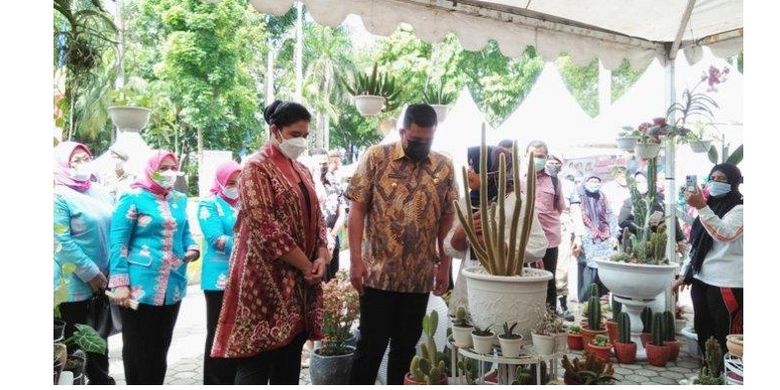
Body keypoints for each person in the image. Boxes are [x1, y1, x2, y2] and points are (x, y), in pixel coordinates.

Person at [211, 100, 329, 385]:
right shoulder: (255, 168)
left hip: (299, 285)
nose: (301, 141)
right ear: (275, 130)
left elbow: (318, 218)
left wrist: (323, 256)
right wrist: (305, 265)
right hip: (262, 282)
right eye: (294, 134)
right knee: (256, 363)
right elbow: (264, 225)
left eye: (305, 135)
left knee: (288, 363)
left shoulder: (302, 170)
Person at [347, 104, 457, 385]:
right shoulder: (376, 157)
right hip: (377, 275)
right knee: (369, 348)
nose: (421, 146)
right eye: (415, 140)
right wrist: (355, 260)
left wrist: (445, 267)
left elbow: (447, 218)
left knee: (406, 350)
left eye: (427, 140)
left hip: (418, 278)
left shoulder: (444, 167)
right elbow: (357, 210)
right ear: (402, 131)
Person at [109, 151, 200, 385]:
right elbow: (118, 243)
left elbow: (186, 232)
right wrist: (120, 284)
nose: (169, 172)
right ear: (151, 169)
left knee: (160, 349)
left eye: (173, 167)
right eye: (163, 167)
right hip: (140, 289)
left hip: (173, 287)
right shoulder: (132, 198)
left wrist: (192, 249)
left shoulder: (179, 199)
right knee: (138, 350)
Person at [445, 145, 548, 313]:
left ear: (493, 171)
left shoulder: (518, 202)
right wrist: (461, 233)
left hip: (505, 287)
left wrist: (499, 246)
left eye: (475, 166)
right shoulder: (466, 202)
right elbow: (450, 249)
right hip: (468, 287)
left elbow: (539, 245)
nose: (469, 171)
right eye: (469, 165)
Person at [53, 141, 115, 385]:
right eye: (74, 160)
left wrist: (110, 272)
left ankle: (102, 381)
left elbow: (114, 230)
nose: (81, 165)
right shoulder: (58, 196)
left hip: (102, 282)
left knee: (99, 343)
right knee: (77, 349)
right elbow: (61, 241)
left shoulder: (100, 192)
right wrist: (91, 273)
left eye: (85, 158)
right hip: (72, 286)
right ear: (62, 165)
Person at [674, 164, 743, 356]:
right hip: (701, 280)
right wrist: (685, 274)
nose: (716, 183)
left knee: (725, 333)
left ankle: (726, 377)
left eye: (722, 179)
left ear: (734, 182)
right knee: (704, 330)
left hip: (726, 283)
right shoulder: (710, 207)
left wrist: (701, 206)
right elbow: (696, 245)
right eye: (713, 178)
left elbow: (724, 233)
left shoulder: (741, 209)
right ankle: (709, 374)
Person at [198, 160, 242, 385]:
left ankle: (232, 378)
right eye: (230, 182)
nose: (235, 186)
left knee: (235, 331)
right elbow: (216, 239)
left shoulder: (243, 204)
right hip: (218, 280)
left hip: (242, 278)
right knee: (217, 331)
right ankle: (214, 381)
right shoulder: (209, 205)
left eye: (238, 181)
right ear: (220, 181)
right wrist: (251, 243)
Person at [526, 140, 566, 309]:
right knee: (525, 281)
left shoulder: (555, 180)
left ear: (546, 157)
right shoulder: (517, 179)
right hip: (525, 242)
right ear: (525, 156)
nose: (537, 159)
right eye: (533, 156)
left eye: (541, 156)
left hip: (549, 240)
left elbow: (560, 207)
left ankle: (549, 322)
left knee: (549, 280)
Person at [570, 176, 619, 302]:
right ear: (585, 182)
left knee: (604, 268)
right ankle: (587, 300)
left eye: (597, 181)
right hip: (587, 238)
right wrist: (580, 236)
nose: (595, 184)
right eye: (591, 181)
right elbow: (576, 217)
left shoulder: (602, 197)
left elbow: (610, 215)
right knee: (588, 270)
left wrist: (614, 235)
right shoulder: (578, 196)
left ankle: (603, 298)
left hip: (604, 237)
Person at [547, 155, 575, 321]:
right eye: (550, 162)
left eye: (555, 163)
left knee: (561, 271)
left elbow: (571, 210)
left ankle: (562, 305)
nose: (552, 165)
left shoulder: (565, 184)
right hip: (539, 230)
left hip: (560, 229)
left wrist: (577, 236)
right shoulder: (528, 180)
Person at [320, 150, 348, 282]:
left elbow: (342, 213)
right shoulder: (310, 182)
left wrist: (332, 236)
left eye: (324, 163)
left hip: (333, 239)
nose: (322, 166)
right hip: (316, 241)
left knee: (332, 280)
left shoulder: (336, 183)